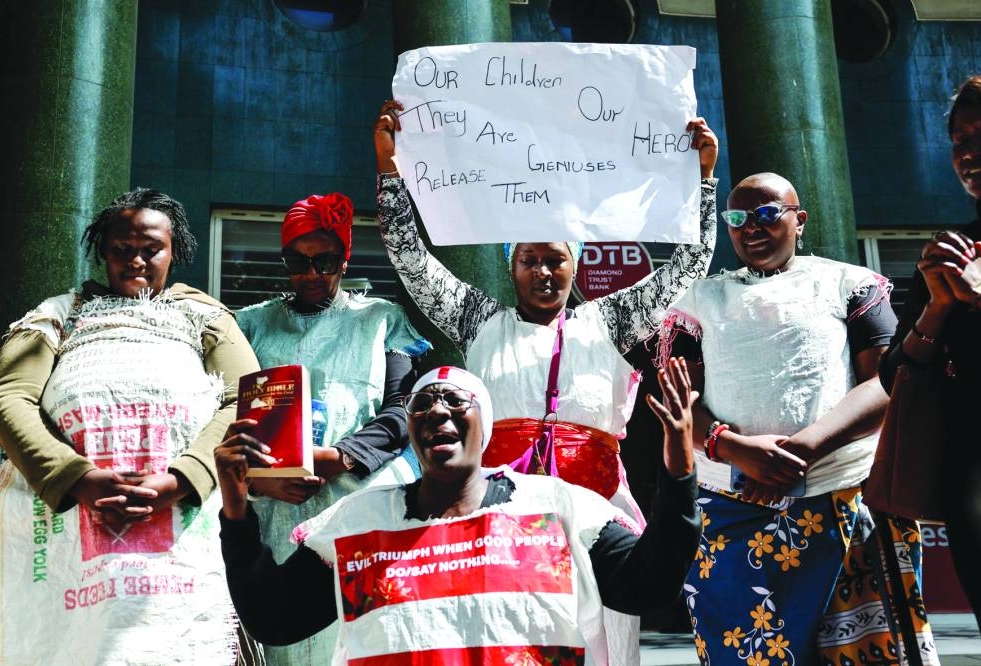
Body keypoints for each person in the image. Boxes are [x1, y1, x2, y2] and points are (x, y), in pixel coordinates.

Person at [374, 101, 718, 663]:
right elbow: (412, 260)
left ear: (575, 263)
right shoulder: (478, 321)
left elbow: (686, 266)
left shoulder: (610, 319)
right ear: (511, 266)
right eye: (529, 259)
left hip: (598, 526)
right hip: (499, 522)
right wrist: (391, 171)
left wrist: (703, 180)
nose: (543, 272)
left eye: (555, 259)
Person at [216, 362, 701, 664]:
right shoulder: (357, 523)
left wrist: (679, 473)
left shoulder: (559, 508)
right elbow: (275, 619)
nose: (437, 411)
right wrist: (236, 510)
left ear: (484, 425)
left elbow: (649, 586)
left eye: (455, 400)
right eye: (422, 403)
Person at [659, 173, 940, 665]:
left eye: (768, 214)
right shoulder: (697, 301)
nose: (752, 228)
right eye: (739, 219)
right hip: (735, 508)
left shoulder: (847, 282)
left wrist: (799, 452)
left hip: (845, 498)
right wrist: (734, 449)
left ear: (800, 220)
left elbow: (886, 382)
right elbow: (679, 399)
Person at [0, 188, 261, 665]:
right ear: (103, 252)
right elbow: (8, 398)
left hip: (180, 516)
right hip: (73, 517)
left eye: (150, 248)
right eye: (121, 249)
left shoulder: (205, 315)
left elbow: (245, 398)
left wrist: (183, 478)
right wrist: (75, 478)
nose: (135, 261)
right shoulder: (57, 315)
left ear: (175, 252)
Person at [234, 191, 431, 664]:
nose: (311, 275)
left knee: (360, 637)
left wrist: (338, 457)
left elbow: (401, 410)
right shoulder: (250, 326)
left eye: (324, 262)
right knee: (285, 637)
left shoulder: (381, 319)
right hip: (274, 509)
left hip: (357, 503)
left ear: (345, 259)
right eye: (297, 262)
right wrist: (262, 480)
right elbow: (226, 414)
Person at [879, 72, 981, 654]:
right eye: (959, 140)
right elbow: (893, 373)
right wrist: (940, 307)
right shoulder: (953, 247)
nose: (970, 152)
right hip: (976, 487)